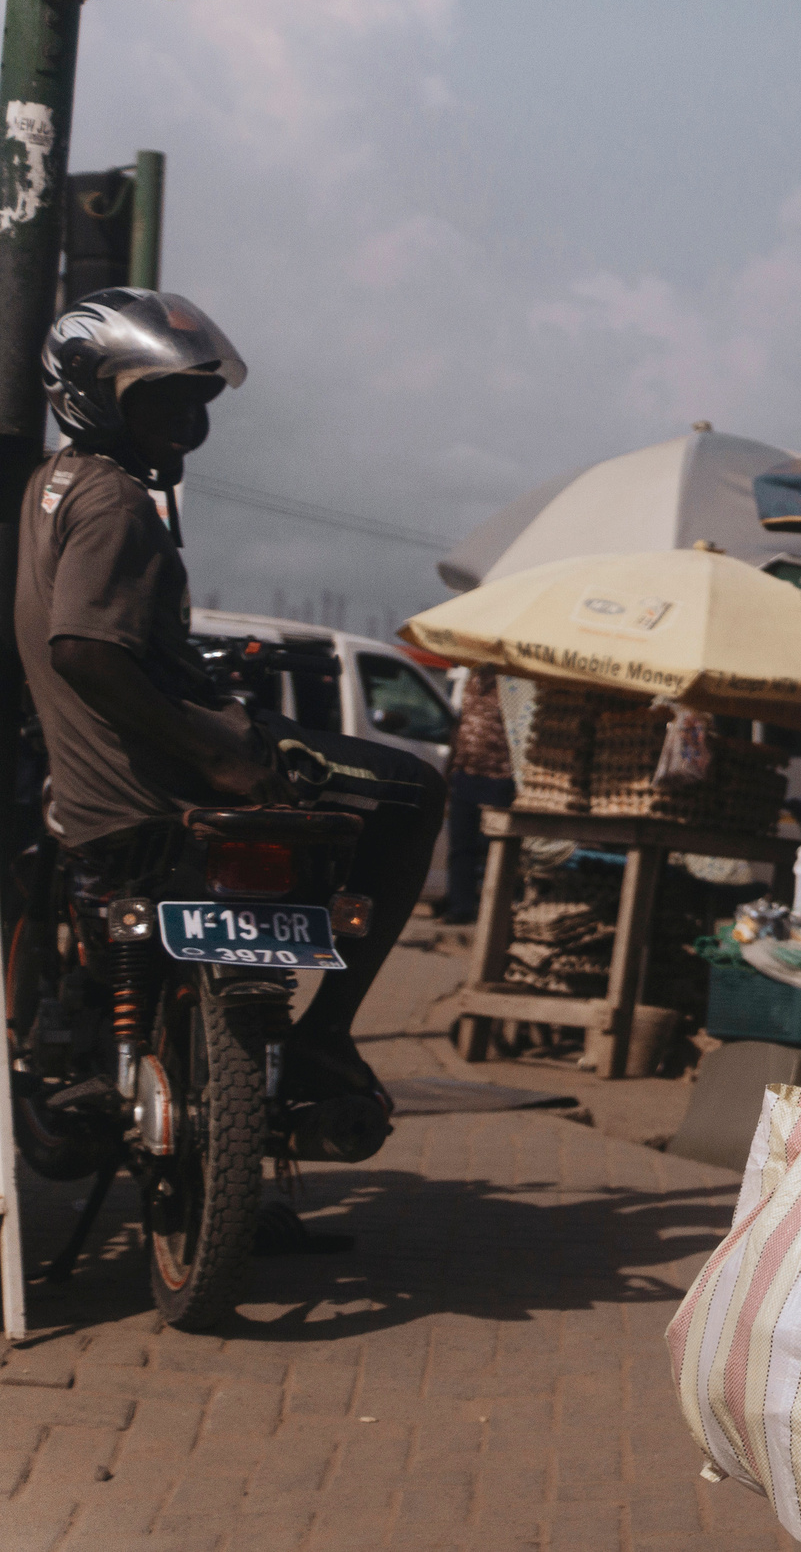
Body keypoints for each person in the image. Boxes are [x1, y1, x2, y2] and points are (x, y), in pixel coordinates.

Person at [15, 288, 445, 1154]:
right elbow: (86, 651)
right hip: (158, 773)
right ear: (95, 394)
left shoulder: (52, 486)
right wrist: (219, 757)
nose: (186, 425)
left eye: (195, 405)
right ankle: (327, 1031)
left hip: (94, 782)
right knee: (414, 788)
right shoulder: (116, 504)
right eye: (164, 402)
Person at [442, 665, 515, 925]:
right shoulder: (471, 683)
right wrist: (450, 769)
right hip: (466, 773)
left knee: (494, 847)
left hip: (498, 777)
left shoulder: (512, 686)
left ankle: (494, 910)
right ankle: (460, 907)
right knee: (461, 848)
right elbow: (459, 727)